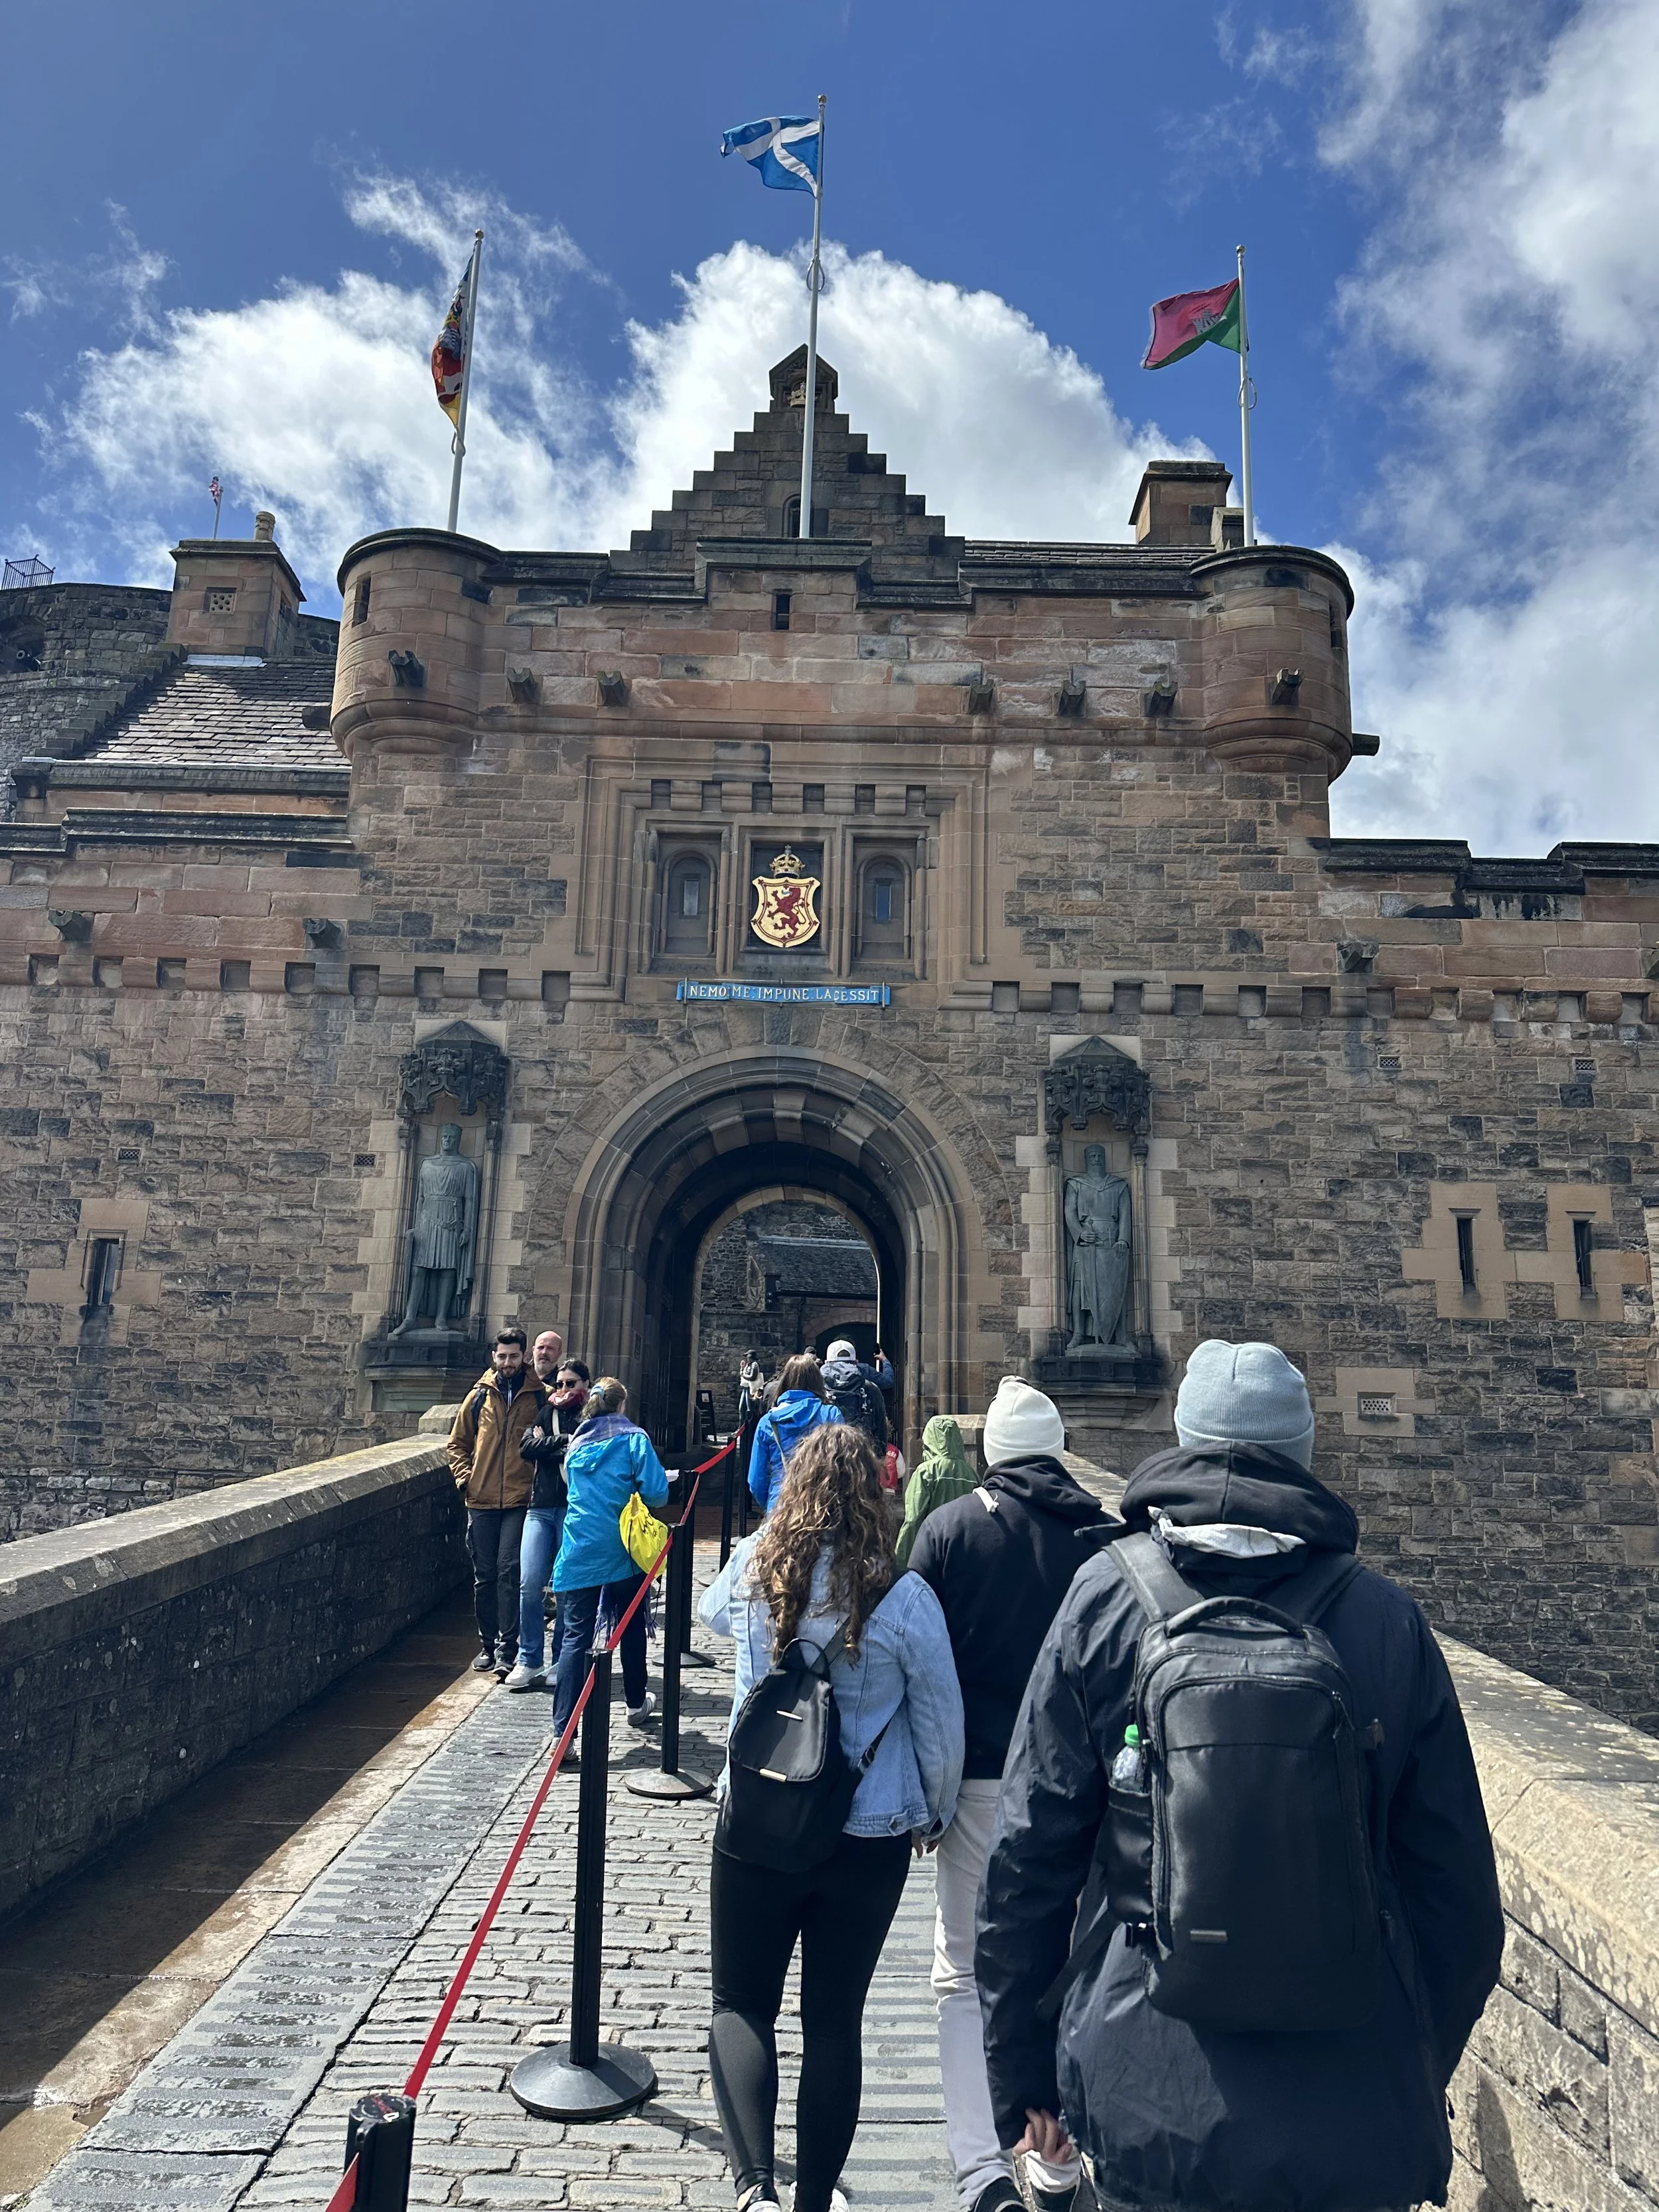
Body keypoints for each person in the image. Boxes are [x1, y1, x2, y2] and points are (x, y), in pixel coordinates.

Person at [977, 1340, 1505, 2212]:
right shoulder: (1385, 1623)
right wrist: (1401, 2066)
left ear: (1185, 1439)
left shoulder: (1105, 1602)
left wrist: (1029, 2089)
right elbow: (1459, 1909)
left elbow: (1023, 1870)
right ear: (1303, 1453)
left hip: (1144, 2102)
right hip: (1348, 2119)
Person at [699, 1424, 964, 2212]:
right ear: (876, 1496)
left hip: (755, 1822)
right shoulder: (902, 1594)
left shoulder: (756, 1567)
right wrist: (936, 1812)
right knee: (832, 2022)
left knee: (741, 2003)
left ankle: (754, 2192)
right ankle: (814, 2200)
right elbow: (939, 1725)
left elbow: (711, 1614)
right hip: (868, 1832)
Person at [906, 1380, 1107, 2212]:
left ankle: (985, 2168)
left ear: (992, 1455)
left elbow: (911, 1663)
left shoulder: (950, 1530)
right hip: (1084, 1790)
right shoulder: (1109, 1536)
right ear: (1056, 1449)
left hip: (982, 1783)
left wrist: (921, 1786)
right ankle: (1056, 2153)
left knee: (964, 1972)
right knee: (1072, 1962)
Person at [550, 1376, 670, 1738]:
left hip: (578, 1548)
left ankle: (563, 1733)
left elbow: (574, 1489)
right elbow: (658, 1494)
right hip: (623, 1548)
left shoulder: (576, 1444)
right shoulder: (634, 1439)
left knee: (575, 1639)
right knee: (630, 1625)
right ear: (621, 1406)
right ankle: (635, 1703)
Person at [446, 1327, 548, 1678]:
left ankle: (509, 1649)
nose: (507, 1363)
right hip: (481, 1498)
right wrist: (465, 1479)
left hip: (521, 1500)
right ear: (495, 1357)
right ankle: (486, 1645)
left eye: (514, 1356)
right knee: (484, 1576)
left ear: (525, 1357)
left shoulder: (540, 1398)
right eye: (502, 1357)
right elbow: (457, 1443)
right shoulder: (478, 1397)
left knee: (510, 1572)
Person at [504, 1357, 589, 1692]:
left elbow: (585, 1452)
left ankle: (560, 1661)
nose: (564, 1389)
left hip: (572, 1509)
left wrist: (552, 1444)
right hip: (540, 1508)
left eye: (571, 1383)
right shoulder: (547, 1412)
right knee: (529, 1582)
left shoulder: (590, 1417)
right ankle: (529, 1658)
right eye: (560, 1383)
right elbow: (526, 1447)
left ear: (585, 1385)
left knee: (565, 1589)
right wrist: (563, 1443)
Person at [748, 1353, 843, 1514]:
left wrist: (772, 1501)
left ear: (784, 1382)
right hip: (821, 1506)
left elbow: (756, 1479)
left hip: (780, 1505)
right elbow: (843, 1465)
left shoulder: (768, 1422)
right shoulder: (831, 1415)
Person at [893, 1413, 978, 1572]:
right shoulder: (971, 1474)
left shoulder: (926, 1472)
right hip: (963, 1555)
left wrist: (900, 1563)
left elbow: (913, 1519)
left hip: (931, 1552)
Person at [820, 1339, 888, 1450]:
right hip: (860, 1455)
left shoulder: (817, 1388)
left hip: (825, 1454)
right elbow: (880, 1432)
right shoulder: (870, 1388)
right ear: (856, 1363)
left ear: (827, 1363)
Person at [737, 1351, 764, 1426]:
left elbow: (752, 1377)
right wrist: (742, 1369)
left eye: (748, 1357)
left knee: (750, 1410)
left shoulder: (755, 1364)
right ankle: (741, 1429)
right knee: (742, 1409)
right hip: (745, 1388)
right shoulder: (748, 1365)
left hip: (751, 1389)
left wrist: (743, 1374)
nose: (747, 1359)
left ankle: (750, 1428)